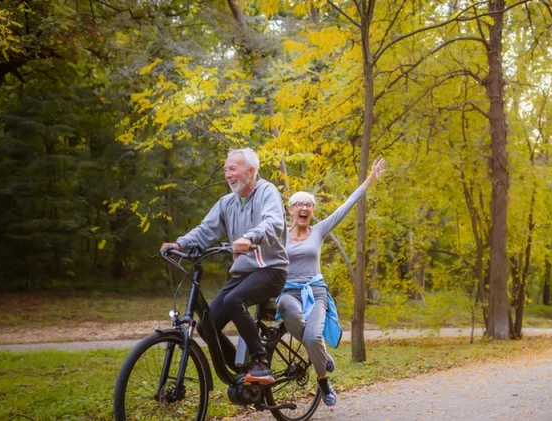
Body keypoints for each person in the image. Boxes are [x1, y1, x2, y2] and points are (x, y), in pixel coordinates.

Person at [160, 148, 288, 385]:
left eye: (233, 169)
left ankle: (261, 362)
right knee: (206, 327)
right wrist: (180, 244)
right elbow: (205, 230)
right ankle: (243, 374)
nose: (228, 174)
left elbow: (273, 222)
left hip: (271, 270)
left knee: (233, 301)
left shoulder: (267, 192)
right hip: (242, 275)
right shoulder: (226, 202)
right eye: (226, 169)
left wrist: (250, 238)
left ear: (251, 171)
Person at [277, 158, 385, 407]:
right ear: (291, 210)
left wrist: (370, 179)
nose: (304, 208)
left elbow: (346, 205)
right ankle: (322, 356)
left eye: (309, 205)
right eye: (299, 204)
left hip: (315, 292)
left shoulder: (319, 230)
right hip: (288, 292)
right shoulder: (280, 232)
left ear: (312, 211)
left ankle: (323, 380)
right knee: (289, 312)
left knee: (314, 337)